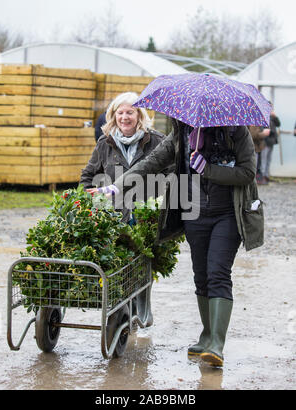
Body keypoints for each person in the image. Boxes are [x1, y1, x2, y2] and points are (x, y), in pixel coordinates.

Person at [87, 119, 264, 367]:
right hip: (194, 214)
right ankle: (206, 335)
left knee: (218, 273)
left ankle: (216, 344)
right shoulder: (183, 133)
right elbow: (151, 163)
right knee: (201, 276)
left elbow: (247, 173)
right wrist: (116, 187)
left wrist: (209, 169)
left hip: (227, 215)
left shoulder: (236, 132)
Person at [80, 91, 166, 224]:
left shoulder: (157, 141)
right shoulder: (105, 143)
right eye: (120, 113)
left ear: (139, 115)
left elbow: (172, 175)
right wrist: (87, 206)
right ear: (114, 116)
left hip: (148, 218)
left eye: (130, 112)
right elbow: (88, 175)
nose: (124, 117)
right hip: (114, 218)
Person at [259, 107, 281, 185]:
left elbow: (278, 124)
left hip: (271, 142)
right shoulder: (263, 116)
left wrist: (275, 116)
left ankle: (266, 175)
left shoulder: (272, 118)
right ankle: (262, 176)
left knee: (268, 159)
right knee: (264, 160)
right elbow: (262, 129)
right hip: (265, 141)